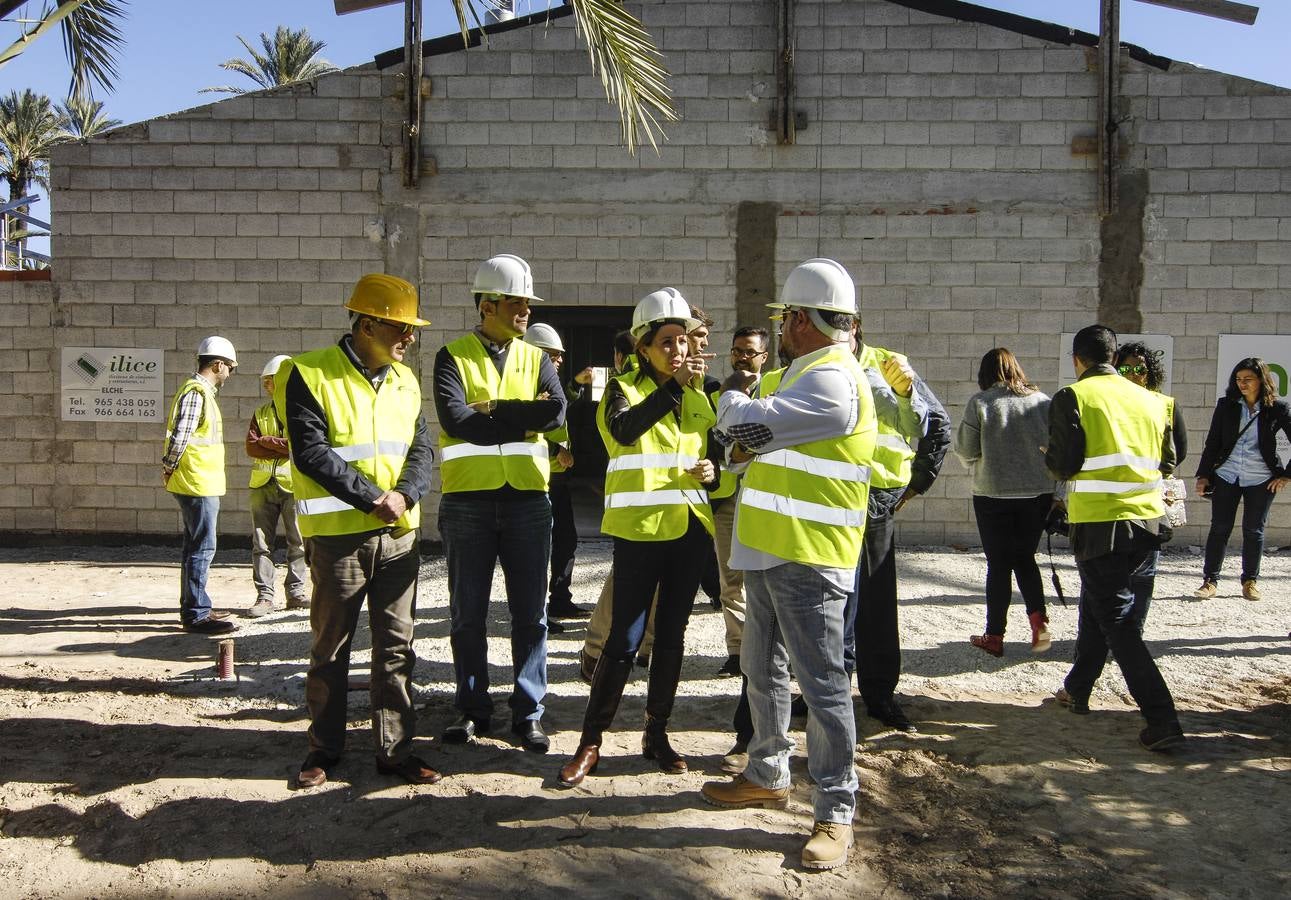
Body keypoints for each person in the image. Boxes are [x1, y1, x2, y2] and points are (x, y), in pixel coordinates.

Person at [701, 259, 877, 872]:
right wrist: (746, 430)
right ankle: (767, 772)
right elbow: (748, 452)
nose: (779, 328)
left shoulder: (832, 379)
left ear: (799, 319)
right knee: (761, 670)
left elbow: (743, 427)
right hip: (773, 550)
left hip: (810, 556)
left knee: (823, 687)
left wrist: (729, 398)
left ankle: (835, 810)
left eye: (783, 318)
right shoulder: (799, 375)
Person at [557, 288, 718, 788]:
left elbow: (718, 459)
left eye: (683, 342)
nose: (678, 351)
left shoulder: (700, 395)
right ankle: (591, 740)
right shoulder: (619, 390)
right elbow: (625, 432)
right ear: (644, 346)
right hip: (640, 532)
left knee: (672, 638)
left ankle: (657, 734)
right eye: (667, 342)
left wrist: (714, 473)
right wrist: (673, 388)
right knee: (623, 640)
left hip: (690, 528)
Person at [286, 273, 438, 789]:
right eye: (401, 327)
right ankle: (324, 751)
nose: (409, 338)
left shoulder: (406, 380)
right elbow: (310, 451)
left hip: (399, 538)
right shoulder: (308, 373)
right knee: (332, 649)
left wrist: (406, 495)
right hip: (340, 540)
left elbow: (422, 451)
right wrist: (374, 497)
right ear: (368, 324)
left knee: (396, 648)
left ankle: (394, 751)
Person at [435, 254, 566, 754]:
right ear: (488, 304)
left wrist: (495, 409)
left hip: (528, 501)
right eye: (517, 302)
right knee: (467, 614)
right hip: (468, 499)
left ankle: (528, 712)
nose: (526, 312)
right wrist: (521, 418)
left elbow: (555, 414)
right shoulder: (452, 356)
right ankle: (472, 710)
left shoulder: (535, 357)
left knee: (531, 614)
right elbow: (455, 419)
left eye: (527, 304)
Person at [1047, 324, 1184, 752]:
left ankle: (1163, 719)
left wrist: (1051, 460)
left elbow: (1065, 465)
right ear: (1113, 354)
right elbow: (1168, 461)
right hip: (1146, 524)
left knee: (1119, 623)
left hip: (1100, 526)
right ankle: (1078, 688)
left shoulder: (1073, 396)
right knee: (1101, 609)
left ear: (1077, 360)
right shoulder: (1155, 402)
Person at [847, 325, 947, 732]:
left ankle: (880, 694)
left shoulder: (887, 364)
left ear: (852, 325)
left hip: (874, 500)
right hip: (825, 498)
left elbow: (937, 423)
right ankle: (823, 690)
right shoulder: (812, 364)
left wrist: (917, 483)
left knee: (874, 603)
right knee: (828, 601)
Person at [954, 348, 1054, 657]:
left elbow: (967, 451)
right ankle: (1039, 625)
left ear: (984, 374)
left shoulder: (980, 403)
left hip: (992, 494)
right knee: (1025, 558)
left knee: (998, 565)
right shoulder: (1043, 402)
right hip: (1037, 493)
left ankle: (994, 636)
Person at [1195, 357, 1291, 601]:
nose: (1242, 384)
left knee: (1254, 530)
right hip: (1227, 475)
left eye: (1248, 379)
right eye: (1238, 379)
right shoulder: (1227, 405)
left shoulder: (1277, 408)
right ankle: (1210, 581)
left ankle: (1250, 581)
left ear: (1262, 380)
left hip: (1261, 478)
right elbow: (1213, 443)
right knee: (1219, 528)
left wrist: (1286, 476)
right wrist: (1203, 475)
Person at [162, 336, 238, 636]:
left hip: (196, 481)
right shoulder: (197, 393)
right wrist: (168, 466)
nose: (230, 373)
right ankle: (196, 614)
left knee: (194, 547)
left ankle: (195, 605)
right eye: (230, 367)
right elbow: (181, 436)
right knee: (202, 548)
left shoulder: (198, 392)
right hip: (197, 483)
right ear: (217, 364)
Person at [709, 326, 771, 677]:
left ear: (764, 356)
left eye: (749, 351)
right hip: (728, 498)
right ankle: (737, 651)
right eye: (736, 351)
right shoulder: (721, 391)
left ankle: (768, 652)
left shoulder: (777, 388)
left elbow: (765, 438)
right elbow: (717, 440)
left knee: (766, 578)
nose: (741, 357)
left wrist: (743, 447)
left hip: (765, 497)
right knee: (730, 578)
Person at [1113, 342, 1187, 623]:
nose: (1133, 374)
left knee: (1143, 574)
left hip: (1150, 500)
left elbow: (1178, 451)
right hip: (1112, 500)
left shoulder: (1165, 405)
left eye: (1139, 369)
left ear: (1149, 372)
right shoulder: (1107, 404)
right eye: (1126, 368)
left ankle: (1133, 635)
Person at [523, 322, 590, 630]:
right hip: (536, 480)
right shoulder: (522, 387)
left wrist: (575, 384)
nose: (560, 360)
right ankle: (539, 612)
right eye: (554, 355)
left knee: (566, 541)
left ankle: (560, 599)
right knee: (540, 549)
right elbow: (523, 428)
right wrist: (554, 450)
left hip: (557, 479)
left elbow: (564, 405)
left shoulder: (550, 385)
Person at [245, 354, 309, 618]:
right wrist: (279, 445)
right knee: (262, 544)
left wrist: (267, 442)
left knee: (298, 543)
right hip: (262, 485)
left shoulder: (301, 411)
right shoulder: (260, 413)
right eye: (267, 382)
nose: (267, 386)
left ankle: (296, 592)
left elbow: (300, 446)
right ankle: (265, 596)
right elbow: (251, 446)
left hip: (293, 486)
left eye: (271, 381)